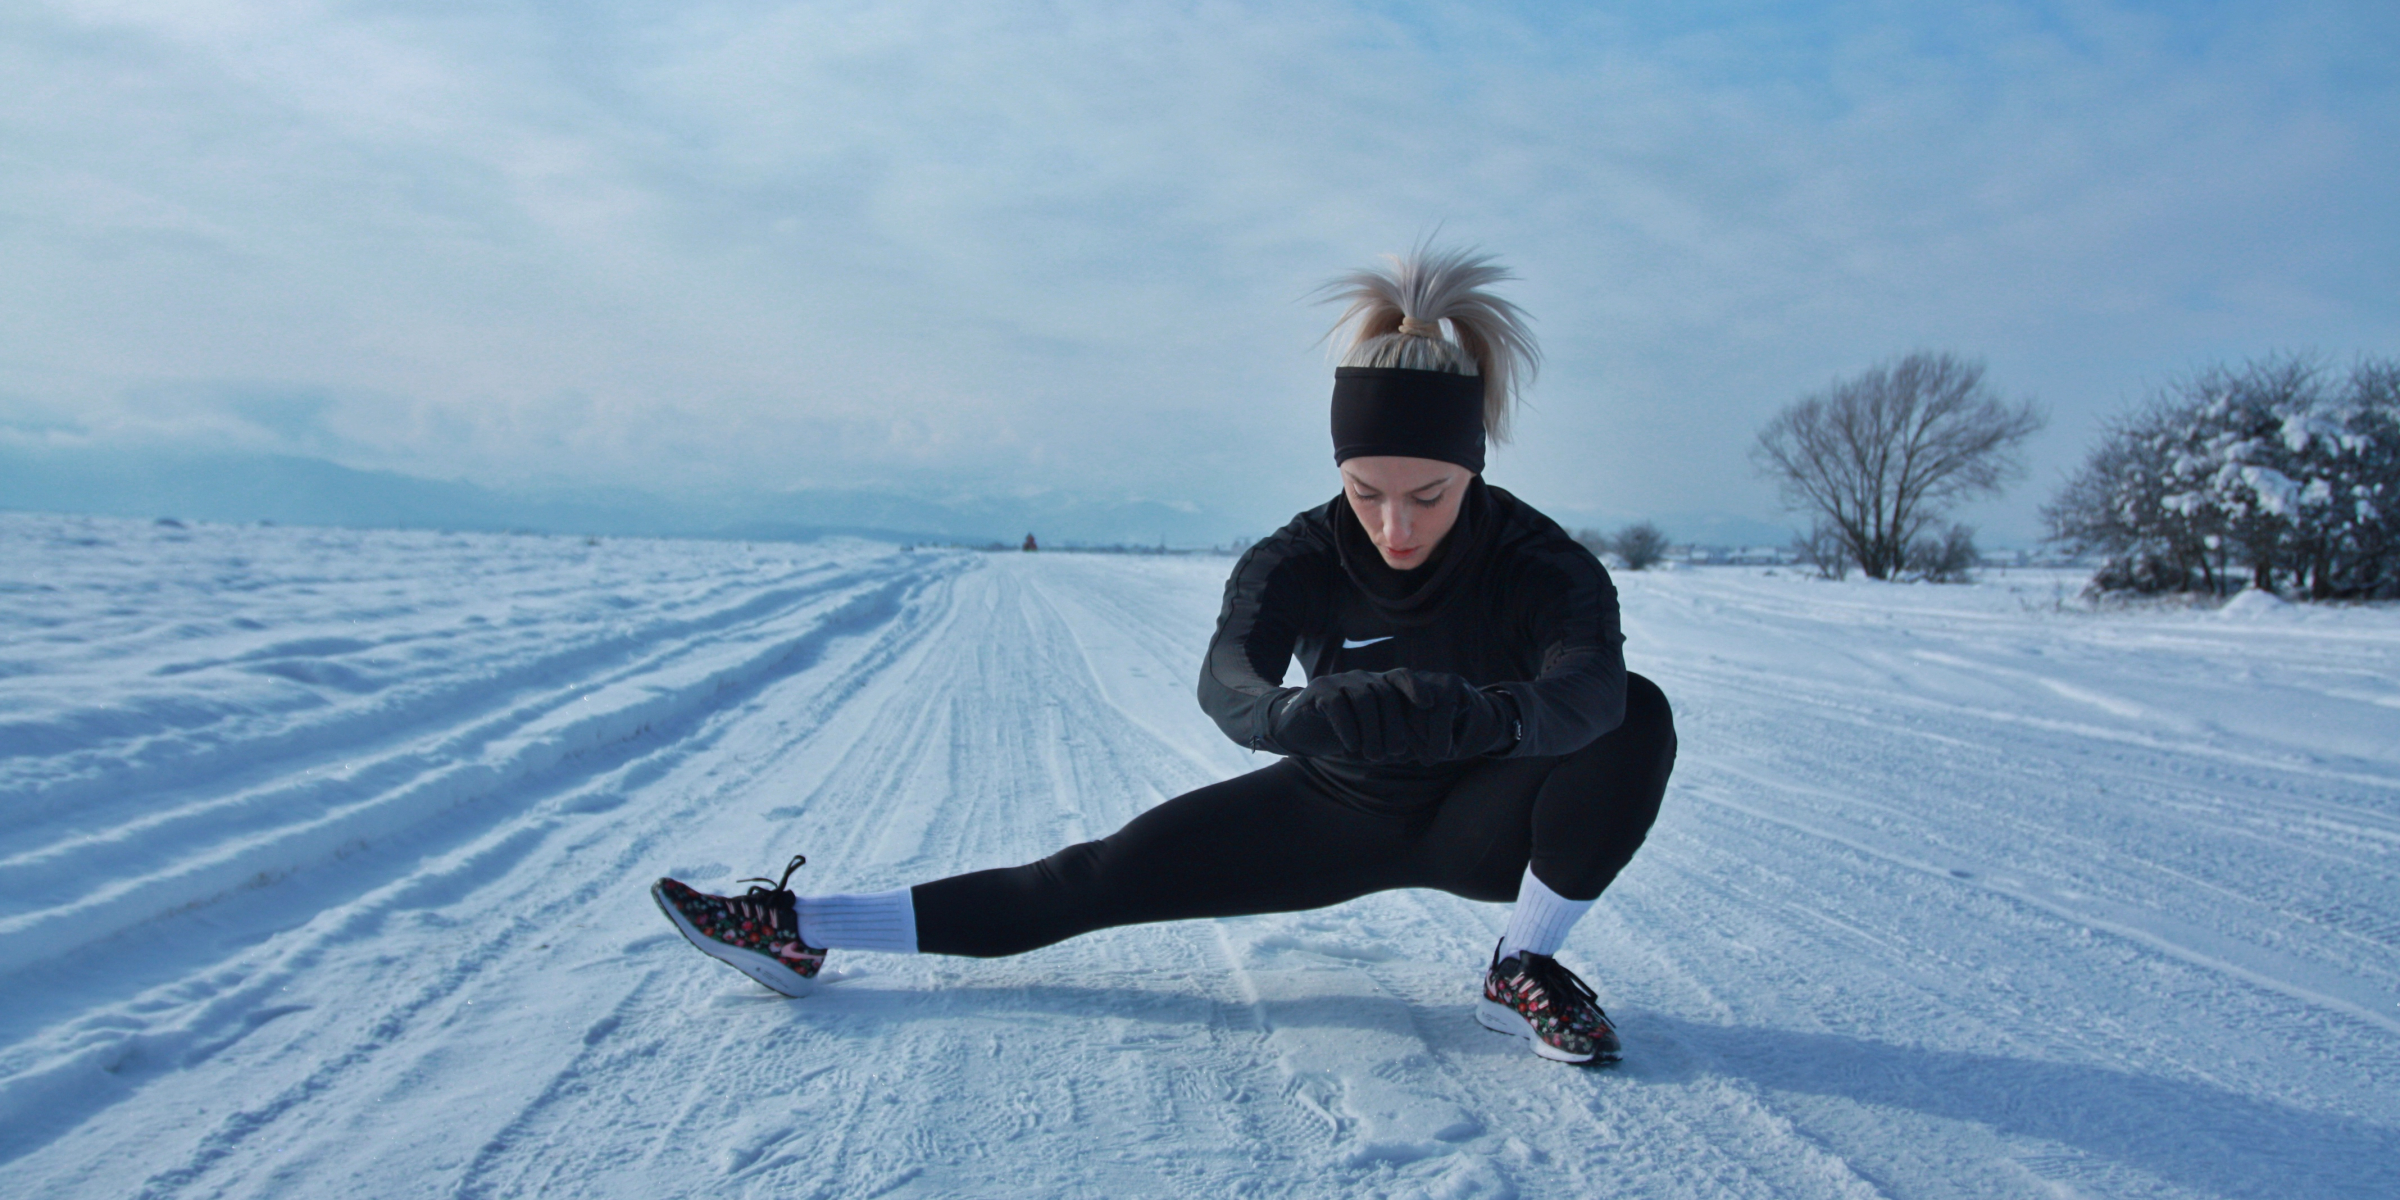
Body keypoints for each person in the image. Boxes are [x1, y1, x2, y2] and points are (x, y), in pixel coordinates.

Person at [652, 246, 1677, 1064]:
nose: (1395, 529)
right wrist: (1287, 718)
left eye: (1428, 497)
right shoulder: (1300, 553)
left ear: (1473, 470)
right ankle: (799, 928)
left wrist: (1486, 718)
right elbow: (1227, 677)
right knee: (1084, 880)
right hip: (1336, 809)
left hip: (1482, 823)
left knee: (1639, 710)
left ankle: (1524, 965)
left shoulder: (1542, 563)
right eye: (1367, 493)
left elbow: (1586, 693)